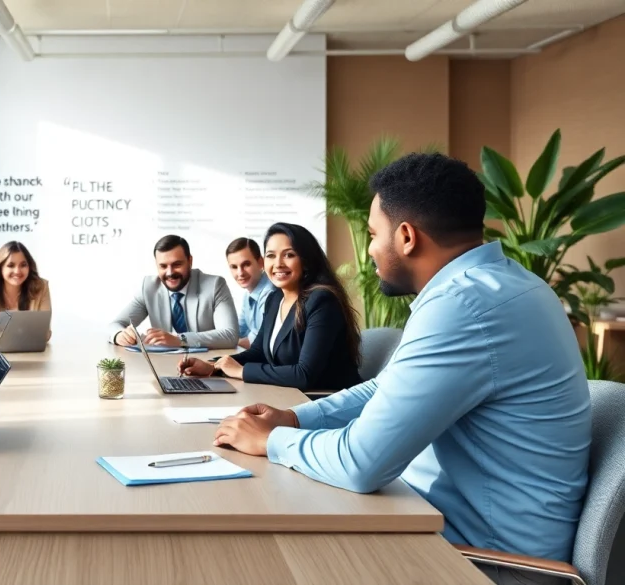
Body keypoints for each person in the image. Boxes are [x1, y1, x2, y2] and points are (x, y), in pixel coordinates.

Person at [212, 153, 591, 585]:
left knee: (256, 559)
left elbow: (361, 463)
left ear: (407, 236)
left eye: (373, 234)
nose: (370, 247)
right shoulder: (504, 284)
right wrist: (295, 417)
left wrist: (274, 440)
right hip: (435, 521)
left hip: (483, 560)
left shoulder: (463, 306)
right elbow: (385, 387)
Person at [180, 223, 362, 392]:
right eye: (271, 255)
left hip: (327, 399)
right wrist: (214, 366)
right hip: (293, 395)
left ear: (306, 260)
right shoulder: (275, 299)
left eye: (289, 255)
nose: (278, 264)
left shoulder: (322, 301)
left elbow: (304, 375)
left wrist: (240, 371)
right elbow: (259, 352)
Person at [108, 234, 238, 349]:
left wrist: (179, 340)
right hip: (164, 365)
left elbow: (230, 335)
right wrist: (119, 335)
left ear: (190, 261)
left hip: (207, 365)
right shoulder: (148, 287)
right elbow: (116, 324)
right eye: (163, 266)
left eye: (177, 265)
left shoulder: (215, 285)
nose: (170, 273)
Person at [0, 241, 51, 347]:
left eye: (23, 265)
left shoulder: (40, 287)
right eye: (11, 265)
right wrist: (15, 339)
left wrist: (11, 339)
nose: (17, 271)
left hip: (31, 355)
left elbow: (45, 333)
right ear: (0, 268)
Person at [225, 237, 275, 349]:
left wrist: (229, 341)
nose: (240, 273)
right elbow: (237, 331)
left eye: (246, 264)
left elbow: (260, 342)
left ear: (261, 263)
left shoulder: (270, 293)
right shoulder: (248, 293)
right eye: (234, 267)